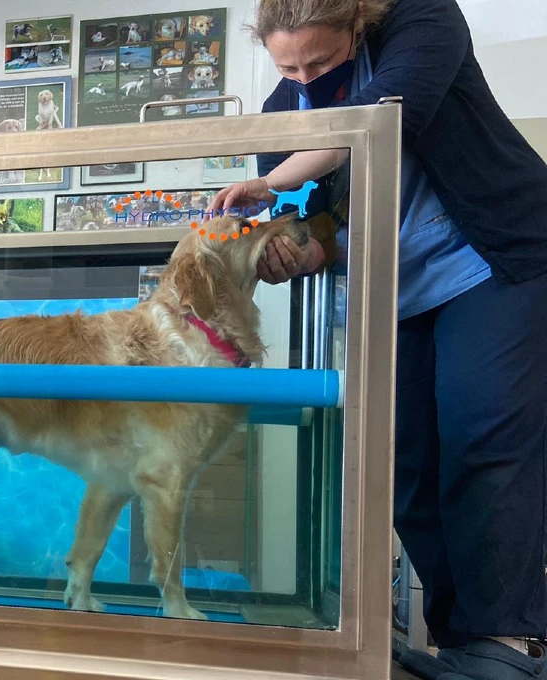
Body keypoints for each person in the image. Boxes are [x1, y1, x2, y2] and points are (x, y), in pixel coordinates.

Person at [209, 0, 547, 678]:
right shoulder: (285, 113)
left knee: (481, 431)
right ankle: (463, 643)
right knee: (407, 463)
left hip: (496, 261)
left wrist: (271, 182)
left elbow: (384, 119)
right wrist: (298, 253)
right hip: (398, 290)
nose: (306, 78)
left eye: (322, 61)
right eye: (289, 67)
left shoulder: (422, 24)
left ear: (356, 27)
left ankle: (510, 643)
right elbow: (328, 227)